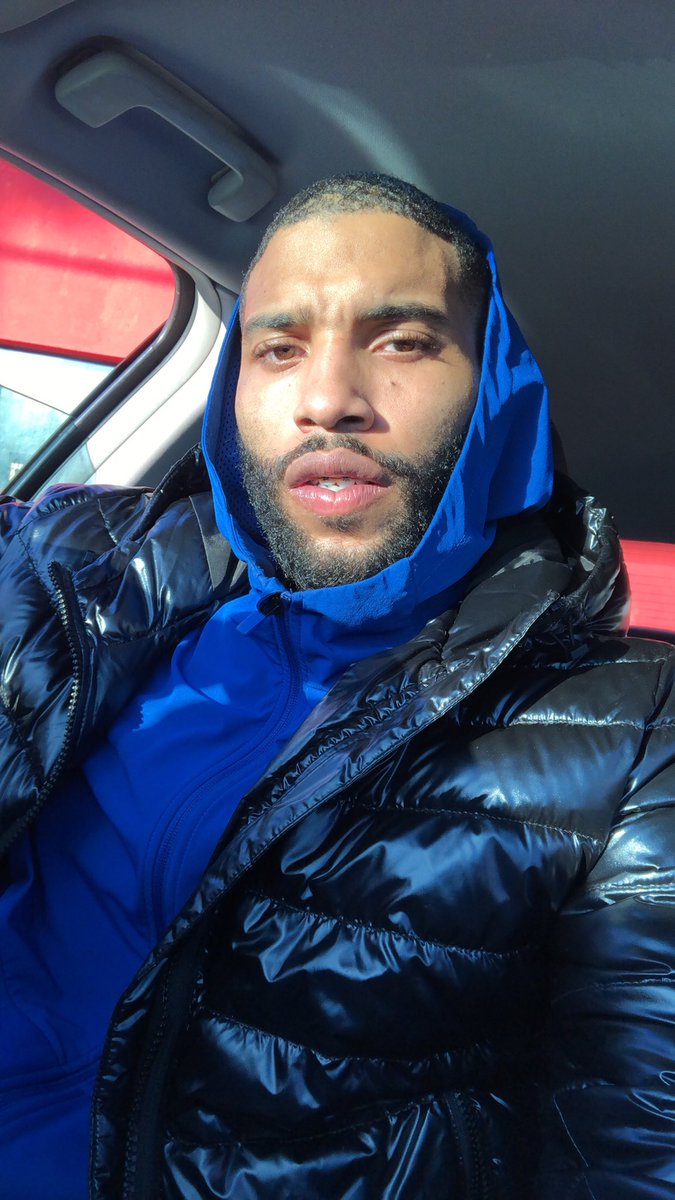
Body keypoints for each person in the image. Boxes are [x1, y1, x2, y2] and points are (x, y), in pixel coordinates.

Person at [0, 173, 673, 1200]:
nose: (326, 399)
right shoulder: (72, 563)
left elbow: (637, 1150)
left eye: (401, 341)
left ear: (493, 385)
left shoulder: (634, 734)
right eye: (278, 349)